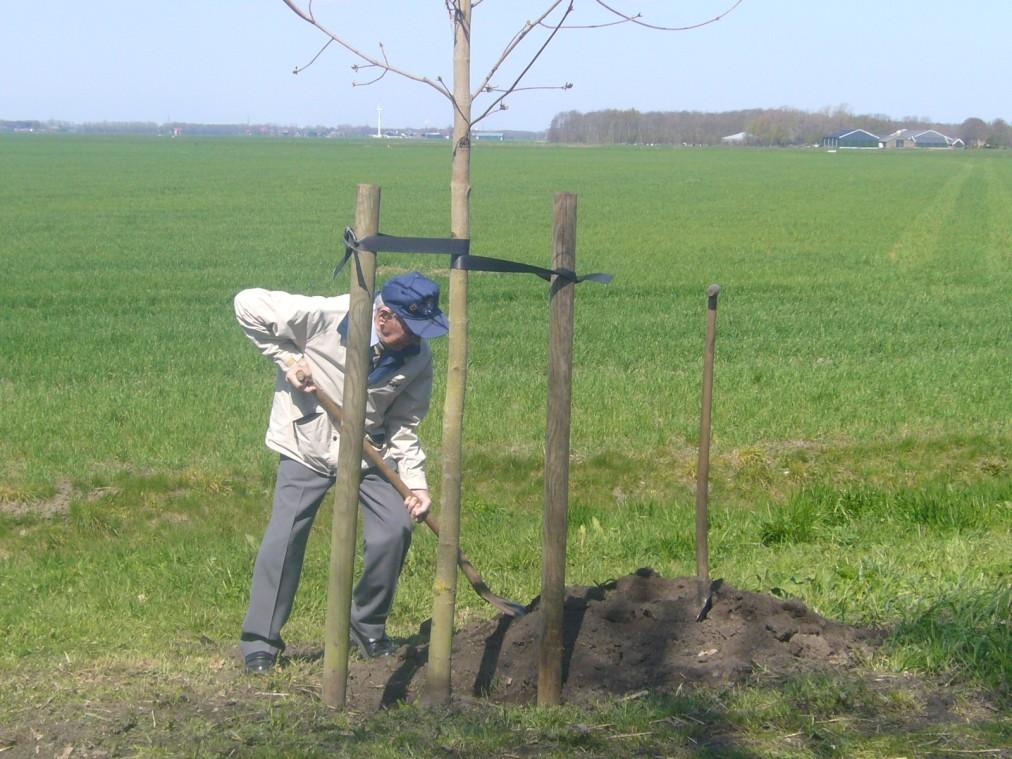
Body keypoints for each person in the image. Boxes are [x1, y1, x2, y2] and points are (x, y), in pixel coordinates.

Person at [234, 271, 449, 674]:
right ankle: (260, 641)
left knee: (395, 529)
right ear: (383, 316)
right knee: (285, 537)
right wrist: (289, 359)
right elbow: (247, 301)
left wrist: (417, 484)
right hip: (307, 445)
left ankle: (366, 626)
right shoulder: (325, 316)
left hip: (370, 451)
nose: (420, 338)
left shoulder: (417, 356)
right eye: (413, 327)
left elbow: (406, 424)